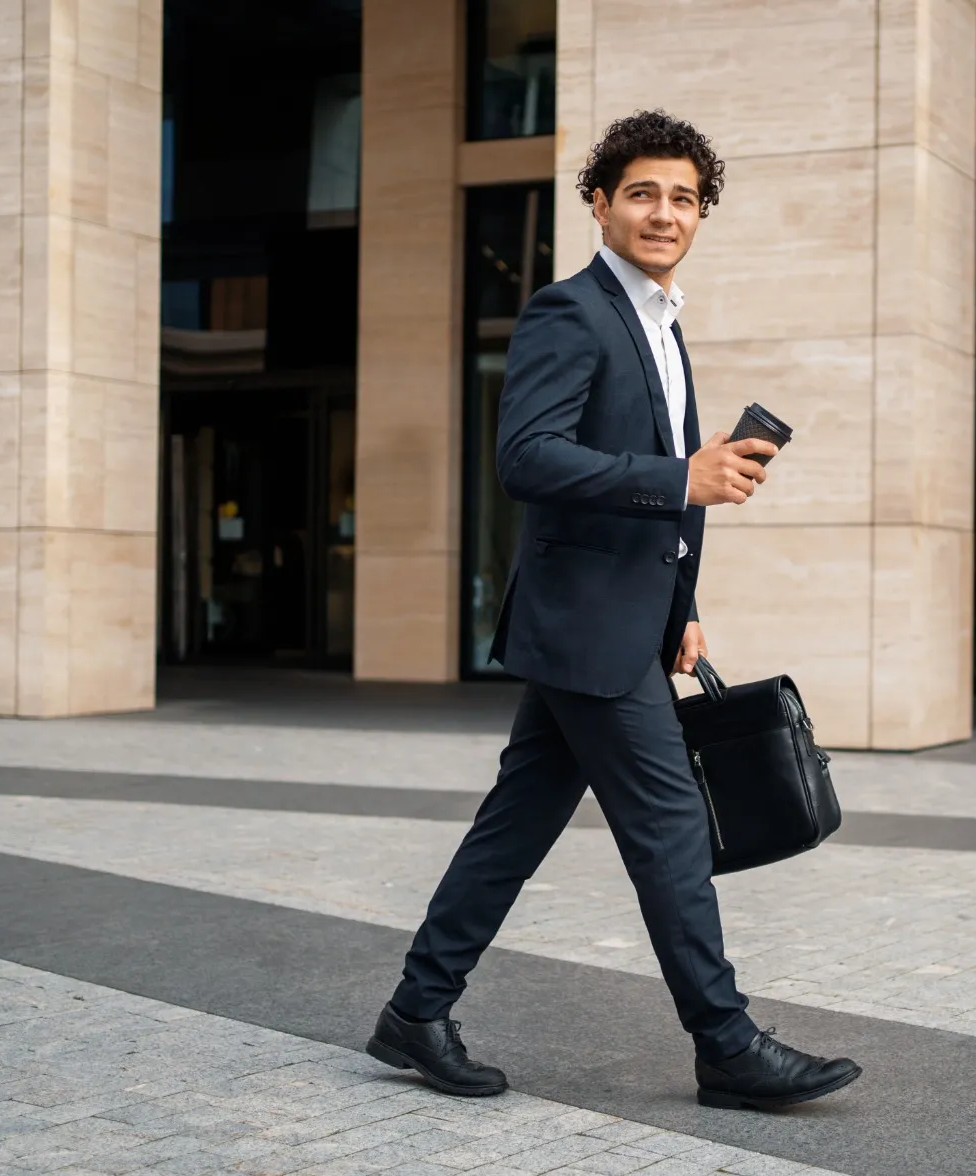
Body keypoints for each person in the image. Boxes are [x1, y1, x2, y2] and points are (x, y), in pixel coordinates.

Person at [367, 111, 862, 1111]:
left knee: (512, 827)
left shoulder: (664, 323)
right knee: (671, 828)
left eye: (683, 197)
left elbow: (673, 489)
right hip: (583, 624)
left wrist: (681, 602)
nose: (662, 212)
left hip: (618, 622)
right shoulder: (571, 312)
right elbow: (527, 457)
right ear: (598, 201)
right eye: (641, 192)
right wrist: (679, 473)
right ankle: (724, 1044)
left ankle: (415, 1011)